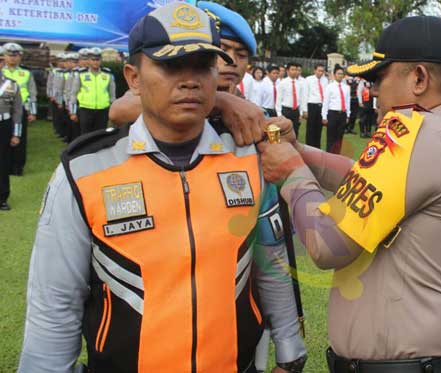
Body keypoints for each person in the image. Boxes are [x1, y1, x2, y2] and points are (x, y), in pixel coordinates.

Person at [19, 3, 307, 372]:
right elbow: (55, 300)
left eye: (202, 65)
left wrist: (289, 346)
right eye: (171, 65)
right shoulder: (85, 170)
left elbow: (271, 260)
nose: (189, 80)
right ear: (133, 77)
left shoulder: (249, 157)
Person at [258, 15, 441, 372]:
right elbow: (365, 178)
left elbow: (326, 244)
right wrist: (299, 150)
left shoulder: (411, 134)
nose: (373, 91)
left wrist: (291, 173)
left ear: (419, 79)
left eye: (379, 77)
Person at [2, 42, 37, 176]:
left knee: (19, 137)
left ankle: (18, 167)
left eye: (16, 56)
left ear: (20, 57)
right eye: (10, 55)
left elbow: (32, 92)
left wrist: (32, 112)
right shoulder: (1, 71)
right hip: (4, 108)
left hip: (21, 108)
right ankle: (6, 165)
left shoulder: (26, 73)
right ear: (4, 56)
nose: (12, 58)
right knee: (4, 138)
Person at [69, 47, 116, 135]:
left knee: (100, 135)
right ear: (89, 61)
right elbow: (73, 94)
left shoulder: (107, 74)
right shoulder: (81, 74)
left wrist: (112, 111)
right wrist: (72, 112)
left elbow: (112, 94)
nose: (95, 62)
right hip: (85, 109)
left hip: (103, 110)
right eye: (93, 59)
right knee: (85, 135)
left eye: (97, 59)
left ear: (101, 60)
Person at [0, 65, 23, 210]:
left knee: (3, 162)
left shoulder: (11, 84)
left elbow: (17, 110)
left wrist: (16, 133)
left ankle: (2, 198)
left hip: (4, 125)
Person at [321, 65, 350, 154]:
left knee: (339, 137)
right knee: (331, 137)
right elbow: (325, 102)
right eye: (338, 74)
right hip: (332, 114)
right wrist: (324, 116)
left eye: (342, 74)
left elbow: (347, 102)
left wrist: (348, 114)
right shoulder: (329, 87)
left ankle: (337, 156)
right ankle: (329, 155)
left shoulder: (346, 87)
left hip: (342, 114)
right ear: (334, 75)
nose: (340, 75)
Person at [276, 62, 307, 137]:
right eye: (292, 69)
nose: (295, 71)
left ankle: (294, 147)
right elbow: (278, 100)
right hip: (286, 111)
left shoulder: (300, 84)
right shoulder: (282, 83)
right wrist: (279, 115)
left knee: (295, 132)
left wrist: (301, 113)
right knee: (284, 132)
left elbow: (302, 99)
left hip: (296, 111)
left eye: (296, 70)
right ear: (287, 71)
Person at [305, 63, 327, 148]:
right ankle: (309, 147)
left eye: (322, 71)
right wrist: (305, 110)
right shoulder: (308, 79)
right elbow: (305, 94)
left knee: (319, 128)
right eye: (319, 71)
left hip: (321, 106)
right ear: (315, 70)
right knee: (310, 128)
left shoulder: (325, 80)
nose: (321, 73)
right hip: (312, 105)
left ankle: (317, 147)